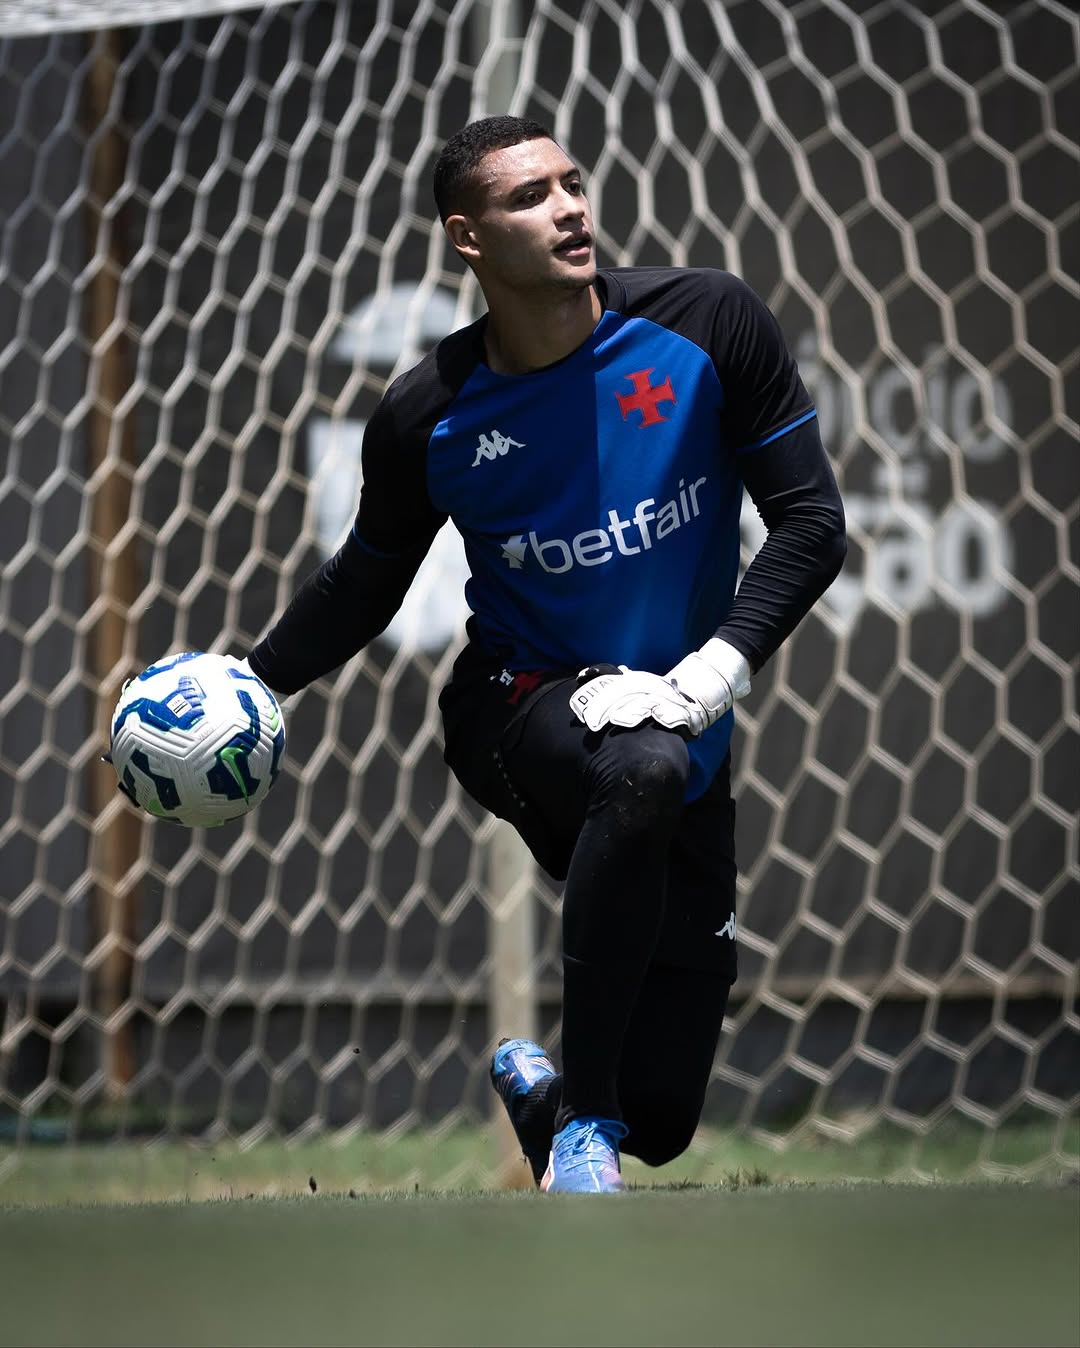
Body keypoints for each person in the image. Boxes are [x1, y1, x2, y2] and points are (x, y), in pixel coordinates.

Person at [245, 115, 846, 1193]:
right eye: (530, 197)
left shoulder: (709, 321)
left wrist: (711, 674)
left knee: (663, 1122)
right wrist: (250, 682)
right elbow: (366, 583)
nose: (569, 208)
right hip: (514, 708)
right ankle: (584, 1129)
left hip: (685, 718)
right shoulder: (427, 413)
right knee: (643, 766)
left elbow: (812, 524)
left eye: (572, 183)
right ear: (466, 237)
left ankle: (559, 1104)